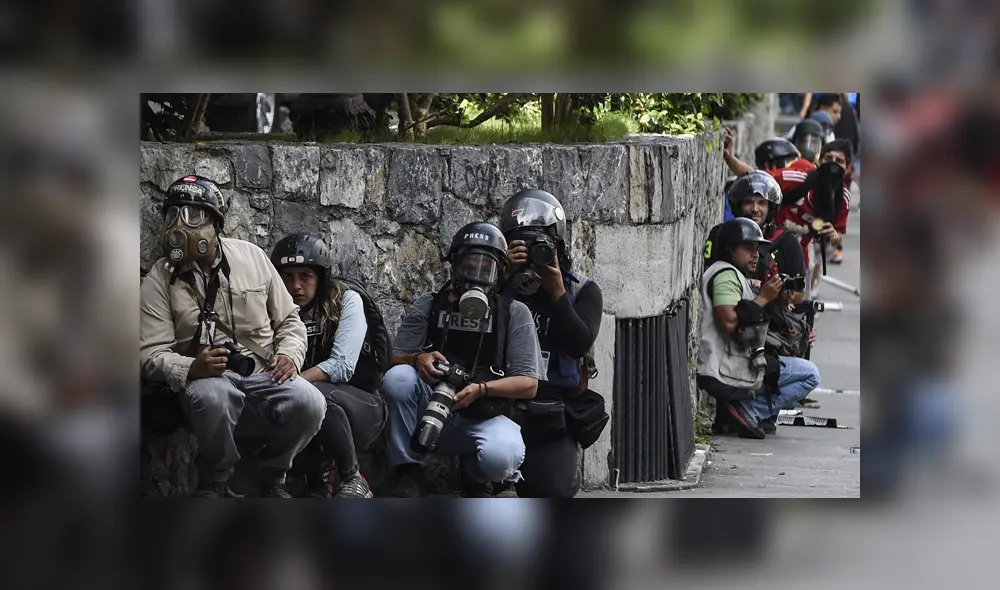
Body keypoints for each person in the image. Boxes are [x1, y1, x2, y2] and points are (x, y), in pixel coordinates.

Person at [140, 175, 326, 498]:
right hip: (207, 377)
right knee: (209, 396)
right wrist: (191, 368)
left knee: (311, 402)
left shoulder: (252, 258)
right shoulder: (160, 278)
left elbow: (290, 321)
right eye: (173, 216)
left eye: (194, 216)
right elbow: (148, 353)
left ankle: (270, 476)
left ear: (215, 223)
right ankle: (216, 479)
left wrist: (289, 356)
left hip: (262, 370)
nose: (181, 226)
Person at [379, 222, 543, 497]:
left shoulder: (514, 313)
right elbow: (394, 359)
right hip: (430, 410)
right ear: (455, 267)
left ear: (499, 272)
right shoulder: (430, 304)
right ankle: (408, 470)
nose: (476, 275)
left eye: (486, 268)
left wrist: (483, 389)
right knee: (398, 378)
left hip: (483, 414)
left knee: (504, 454)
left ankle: (477, 476)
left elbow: (529, 384)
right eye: (469, 265)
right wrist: (418, 358)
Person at [498, 188, 605, 498]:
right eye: (522, 243)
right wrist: (506, 279)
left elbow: (578, 345)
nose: (533, 252)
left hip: (552, 409)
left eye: (541, 245)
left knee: (552, 492)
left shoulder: (581, 290)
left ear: (558, 247)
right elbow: (479, 335)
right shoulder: (499, 285)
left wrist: (557, 295)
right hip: (501, 401)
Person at [270, 233, 387, 498]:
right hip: (302, 404)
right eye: (288, 277)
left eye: (305, 276)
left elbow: (342, 365)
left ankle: (353, 477)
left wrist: (293, 379)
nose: (296, 286)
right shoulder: (274, 308)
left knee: (315, 395)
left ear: (321, 278)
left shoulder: (347, 300)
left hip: (360, 404)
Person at [712, 172, 818, 434]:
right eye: (749, 202)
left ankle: (755, 408)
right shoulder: (722, 237)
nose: (755, 208)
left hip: (770, 324)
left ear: (772, 207)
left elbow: (798, 293)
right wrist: (760, 291)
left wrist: (783, 298)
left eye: (761, 203)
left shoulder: (786, 241)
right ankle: (745, 409)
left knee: (800, 347)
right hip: (739, 324)